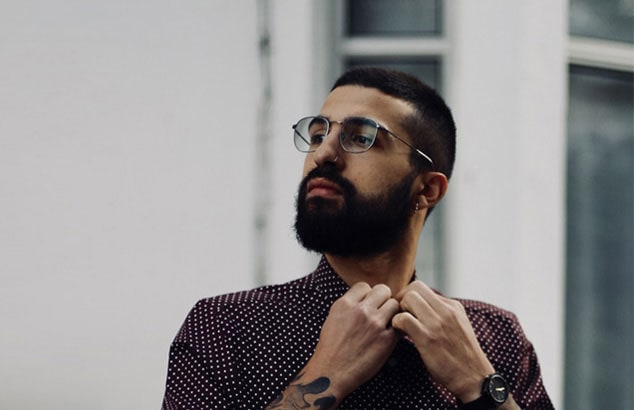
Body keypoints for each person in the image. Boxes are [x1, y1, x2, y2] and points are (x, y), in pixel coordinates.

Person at [161, 67, 554, 409]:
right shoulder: (226, 329)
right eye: (317, 135)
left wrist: (480, 386)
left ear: (428, 190)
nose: (324, 154)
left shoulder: (497, 339)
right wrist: (325, 377)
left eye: (361, 137)